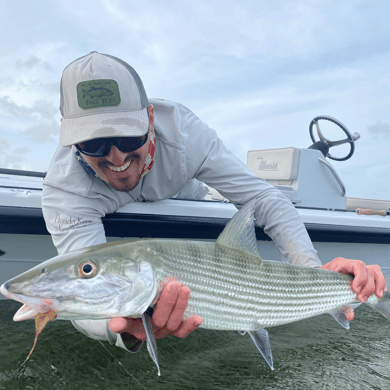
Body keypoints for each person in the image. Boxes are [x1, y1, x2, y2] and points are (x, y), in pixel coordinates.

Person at [42, 51, 385, 353]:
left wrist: (311, 274)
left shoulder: (185, 134)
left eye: (127, 135)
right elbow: (76, 293)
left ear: (149, 118)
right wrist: (123, 328)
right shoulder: (64, 190)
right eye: (94, 144)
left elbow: (263, 197)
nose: (116, 155)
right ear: (70, 138)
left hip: (186, 194)